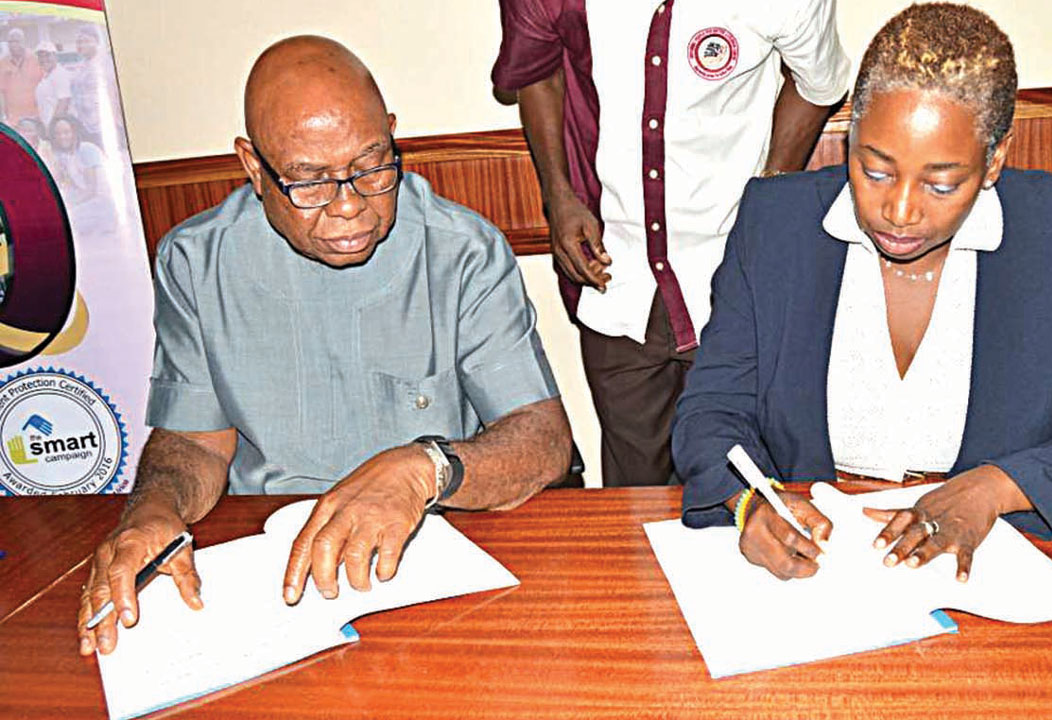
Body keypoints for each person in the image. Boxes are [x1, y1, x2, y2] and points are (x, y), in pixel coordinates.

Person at [673, 3, 1052, 581]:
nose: (900, 211)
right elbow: (712, 410)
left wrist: (997, 487)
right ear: (851, 138)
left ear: (994, 160)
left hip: (993, 559)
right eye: (875, 171)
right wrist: (749, 503)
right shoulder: (776, 223)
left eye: (941, 183)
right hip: (822, 566)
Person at [78, 36, 572, 656]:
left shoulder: (461, 250)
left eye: (372, 166)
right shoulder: (195, 261)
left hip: (433, 550)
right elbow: (196, 443)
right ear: (253, 167)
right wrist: (152, 510)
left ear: (392, 137)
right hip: (265, 559)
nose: (350, 207)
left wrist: (426, 466)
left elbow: (544, 440)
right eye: (310, 182)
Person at [492, 0, 851, 487]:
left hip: (734, 277)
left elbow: (820, 83)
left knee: (745, 486)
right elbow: (537, 70)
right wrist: (559, 198)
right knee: (633, 498)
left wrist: (769, 195)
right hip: (615, 276)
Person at [1, 28, 41, 126]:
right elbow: (1, 92)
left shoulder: (35, 60)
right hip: (13, 118)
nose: (13, 45)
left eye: (17, 41)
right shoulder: (2, 63)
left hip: (35, 116)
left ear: (24, 42)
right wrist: (3, 116)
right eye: (10, 42)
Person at [34, 41, 72, 128]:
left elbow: (64, 102)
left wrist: (54, 127)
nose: (44, 59)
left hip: (55, 128)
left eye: (47, 55)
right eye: (40, 56)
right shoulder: (47, 76)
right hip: (46, 125)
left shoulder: (60, 74)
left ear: (55, 56)